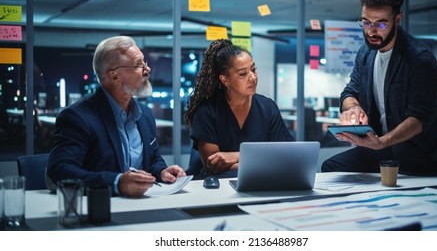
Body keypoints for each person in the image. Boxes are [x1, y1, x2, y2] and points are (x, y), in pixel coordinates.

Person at [321, 0, 437, 175]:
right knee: (332, 168)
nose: (371, 31)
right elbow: (350, 91)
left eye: (381, 24)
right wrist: (353, 108)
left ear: (397, 19)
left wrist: (382, 142)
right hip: (384, 149)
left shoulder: (420, 58)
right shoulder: (366, 53)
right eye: (366, 22)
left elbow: (419, 119)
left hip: (419, 154)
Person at [47, 36, 186, 197]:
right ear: (115, 76)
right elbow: (59, 170)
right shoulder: (77, 117)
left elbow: (153, 159)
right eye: (138, 65)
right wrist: (117, 182)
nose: (147, 70)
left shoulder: (145, 114)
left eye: (145, 63)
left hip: (143, 205)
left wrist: (161, 171)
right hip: (101, 209)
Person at [184, 39, 294, 178]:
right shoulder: (207, 111)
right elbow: (213, 166)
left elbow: (287, 154)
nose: (253, 78)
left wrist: (236, 156)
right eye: (243, 74)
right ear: (225, 80)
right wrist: (266, 160)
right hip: (218, 189)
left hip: (262, 183)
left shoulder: (268, 107)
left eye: (253, 70)